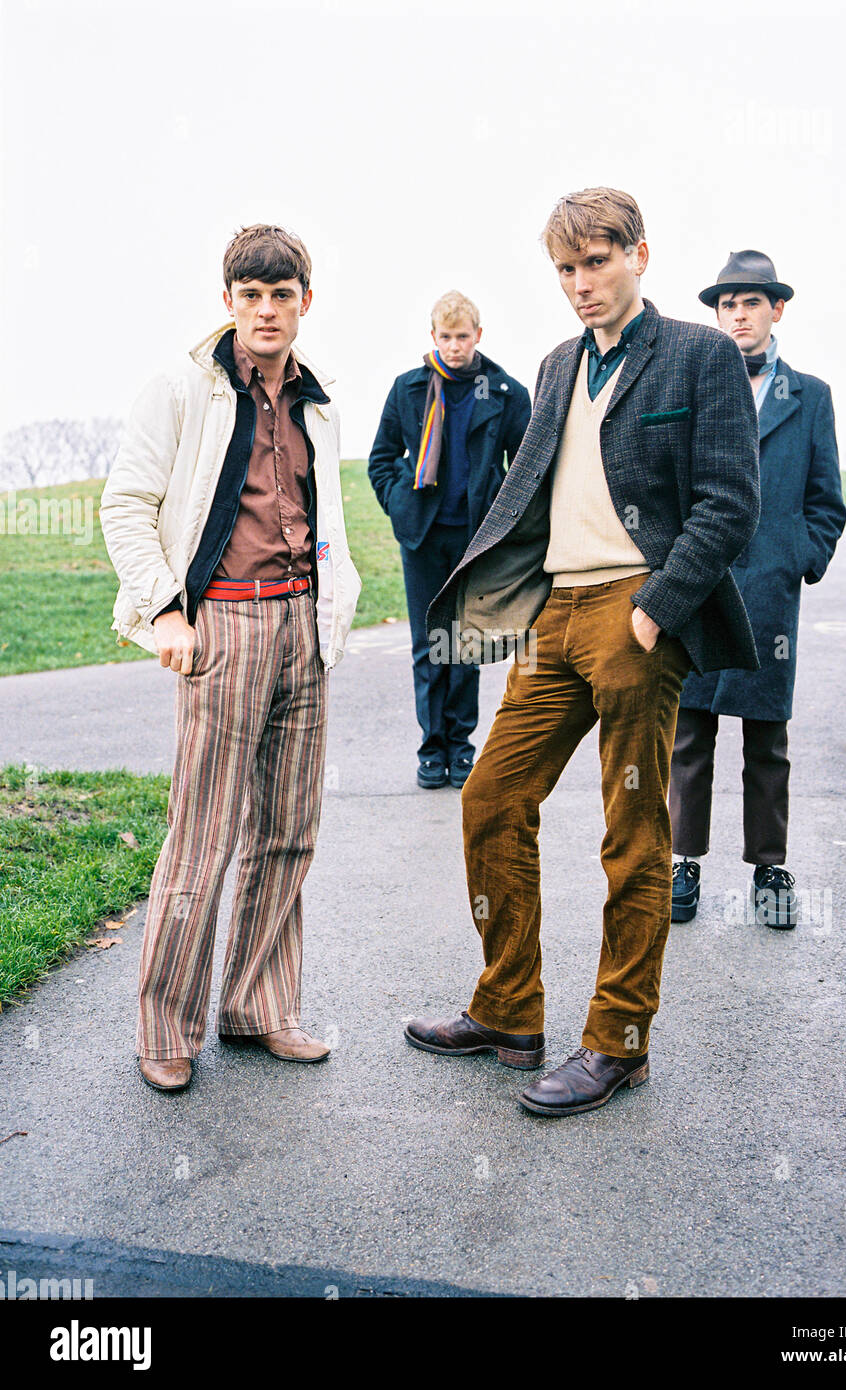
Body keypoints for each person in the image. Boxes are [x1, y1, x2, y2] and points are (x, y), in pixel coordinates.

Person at [404, 188, 761, 1117]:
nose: (580, 284)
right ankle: (510, 1009)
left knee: (632, 833)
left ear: (641, 254)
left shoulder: (700, 354)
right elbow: (529, 490)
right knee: (491, 797)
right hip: (556, 614)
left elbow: (729, 501)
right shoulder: (559, 361)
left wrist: (654, 612)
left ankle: (618, 1041)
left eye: (597, 262)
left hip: (634, 609)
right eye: (565, 269)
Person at [100, 224, 361, 1093]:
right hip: (224, 626)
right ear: (228, 303)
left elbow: (328, 524)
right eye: (250, 295)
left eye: (282, 294)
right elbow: (127, 506)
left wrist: (335, 609)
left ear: (304, 303)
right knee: (203, 834)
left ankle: (259, 1008)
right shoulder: (184, 387)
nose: (266, 310)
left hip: (304, 629)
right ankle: (166, 1029)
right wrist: (166, 614)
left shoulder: (317, 401)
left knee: (288, 831)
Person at [669, 250, 846, 930]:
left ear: (777, 309)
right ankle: (683, 861)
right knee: (690, 731)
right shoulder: (694, 386)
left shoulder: (811, 396)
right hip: (701, 584)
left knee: (767, 739)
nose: (738, 314)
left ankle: (769, 866)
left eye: (751, 302)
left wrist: (800, 554)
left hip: (770, 591)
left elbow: (826, 499)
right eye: (726, 304)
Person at [368, 292, 530, 789]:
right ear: (432, 337)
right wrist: (399, 503)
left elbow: (525, 471)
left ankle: (461, 748)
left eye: (463, 337)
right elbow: (381, 458)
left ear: (478, 335)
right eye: (446, 337)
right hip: (422, 535)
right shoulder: (409, 389)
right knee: (428, 643)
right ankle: (431, 748)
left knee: (466, 643)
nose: (455, 346)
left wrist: (506, 525)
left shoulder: (504, 391)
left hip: (478, 538)